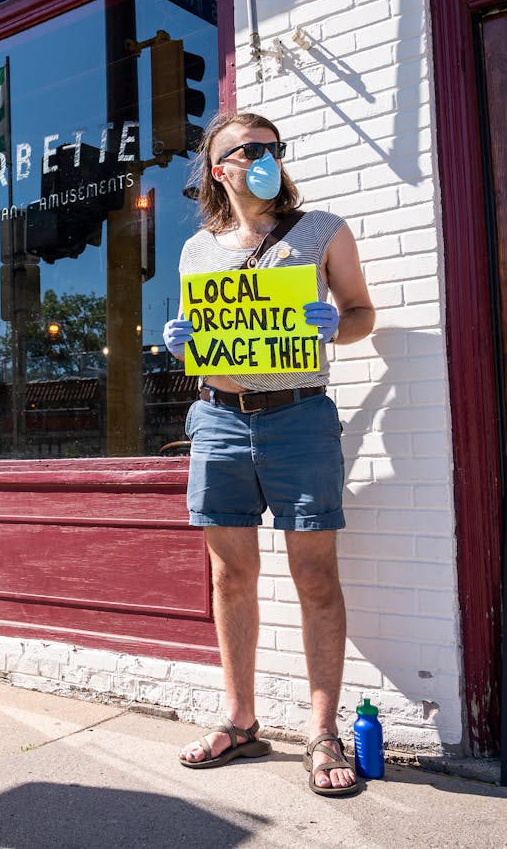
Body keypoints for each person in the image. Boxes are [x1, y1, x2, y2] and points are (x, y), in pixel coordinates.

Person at [162, 110, 375, 796]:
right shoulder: (198, 249)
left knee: (315, 575)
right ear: (217, 169)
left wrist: (335, 325)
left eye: (270, 147)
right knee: (231, 576)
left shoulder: (322, 231)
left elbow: (361, 312)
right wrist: (181, 344)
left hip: (299, 417)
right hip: (219, 419)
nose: (262, 156)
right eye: (246, 149)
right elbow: (203, 339)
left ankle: (321, 730)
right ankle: (240, 718)